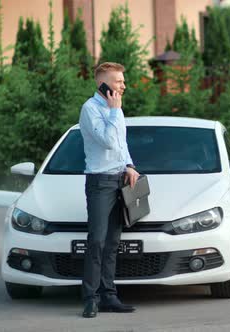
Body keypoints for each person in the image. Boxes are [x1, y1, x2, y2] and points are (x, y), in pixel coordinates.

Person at [79, 62, 139, 318]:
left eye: (123, 81)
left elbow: (121, 144)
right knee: (97, 241)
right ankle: (90, 299)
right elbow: (107, 141)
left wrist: (130, 165)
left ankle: (109, 296)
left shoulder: (117, 109)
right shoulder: (90, 109)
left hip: (119, 180)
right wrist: (114, 113)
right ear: (102, 83)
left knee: (113, 243)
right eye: (118, 82)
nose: (123, 86)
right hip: (100, 181)